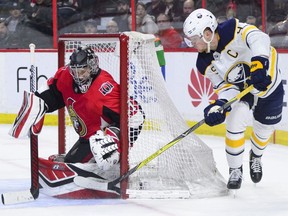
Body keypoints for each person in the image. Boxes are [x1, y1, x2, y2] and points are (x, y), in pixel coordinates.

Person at [10, 46, 145, 198]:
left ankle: (116, 169)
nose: (78, 76)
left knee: (96, 154)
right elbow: (53, 94)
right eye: (74, 71)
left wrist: (116, 142)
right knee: (69, 165)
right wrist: (37, 104)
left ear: (92, 67)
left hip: (101, 140)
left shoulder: (104, 89)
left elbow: (137, 115)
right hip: (86, 139)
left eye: (82, 71)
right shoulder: (66, 76)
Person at [183, 8, 284, 190]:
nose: (192, 44)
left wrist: (259, 65)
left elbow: (260, 38)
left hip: (268, 84)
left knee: (264, 130)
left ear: (207, 34)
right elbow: (225, 87)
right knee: (234, 123)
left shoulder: (232, 29)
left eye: (194, 40)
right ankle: (235, 169)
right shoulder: (203, 62)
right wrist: (219, 106)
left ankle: (256, 156)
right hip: (243, 89)